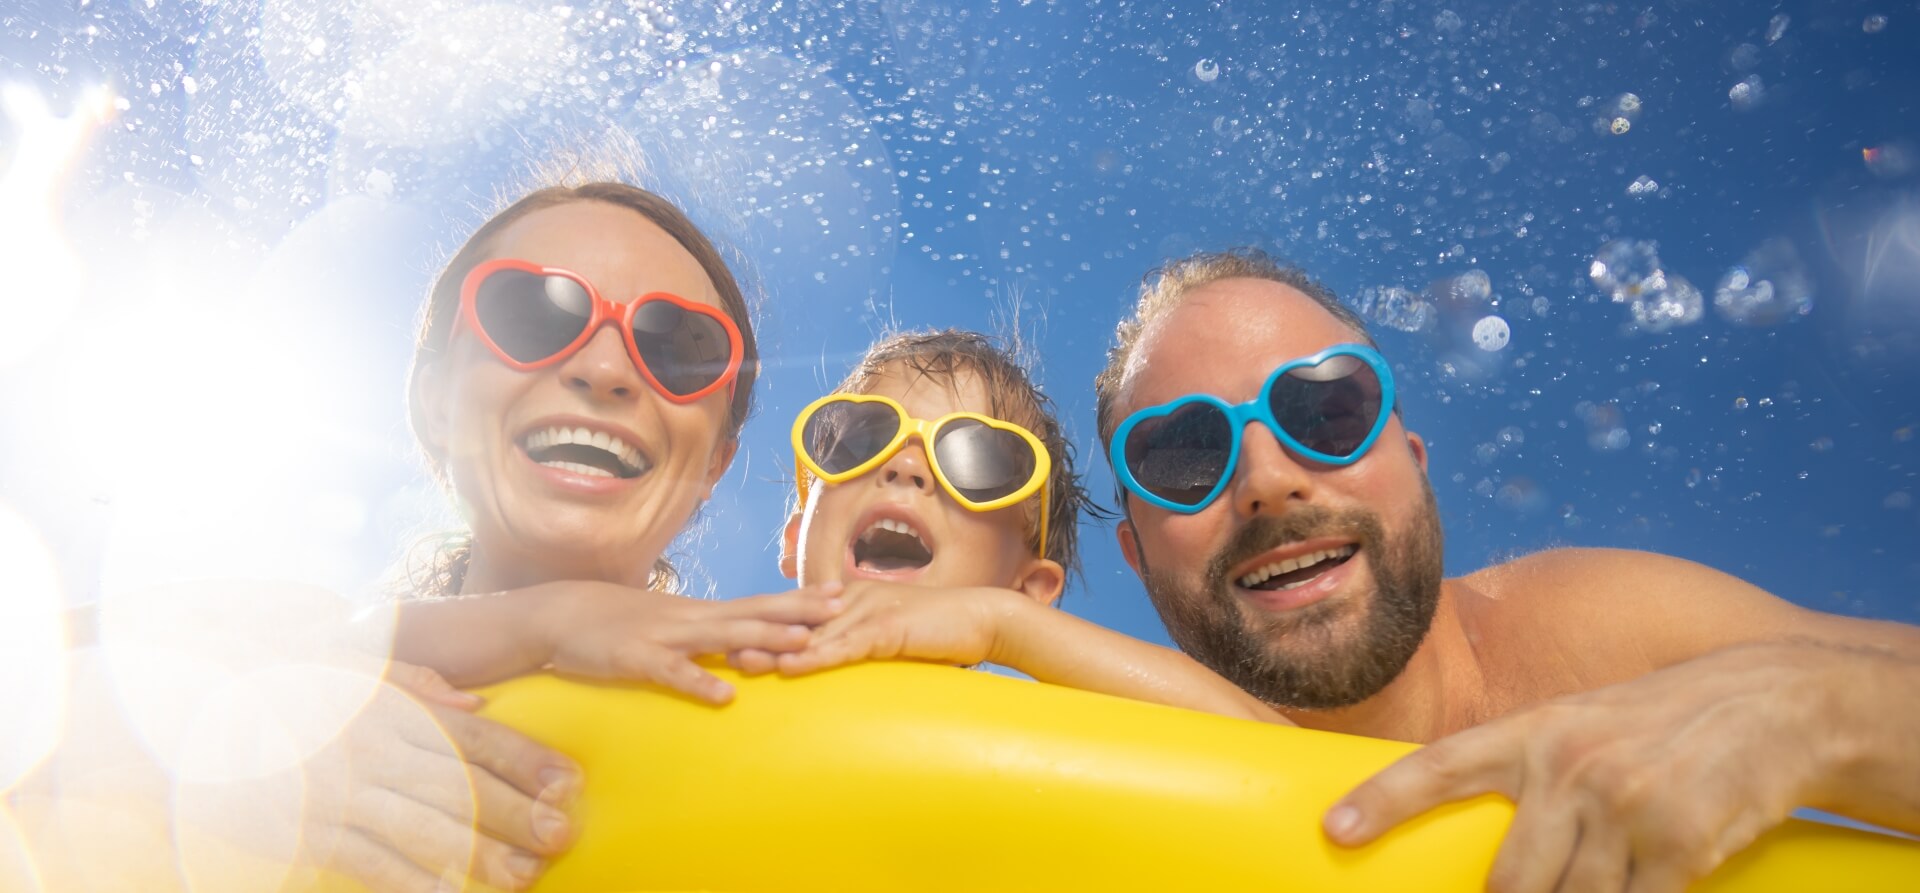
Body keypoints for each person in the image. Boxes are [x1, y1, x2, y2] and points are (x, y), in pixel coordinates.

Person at [13, 174, 843, 893]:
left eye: (681, 346)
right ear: (434, 400)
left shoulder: (810, 736)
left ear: (718, 462)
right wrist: (224, 759)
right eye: (530, 312)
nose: (602, 368)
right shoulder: (272, 648)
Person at [1093, 247, 1920, 892]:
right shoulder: (1117, 773)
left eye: (1325, 410)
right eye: (1184, 455)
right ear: (1136, 554)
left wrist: (1821, 709)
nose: (1269, 480)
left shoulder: (1604, 634)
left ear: (1415, 466)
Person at [745, 329, 1286, 721]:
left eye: (976, 460)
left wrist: (1003, 626)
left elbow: (1274, 747)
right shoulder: (706, 669)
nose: (904, 465)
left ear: (1026, 591)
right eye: (861, 438)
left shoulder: (1034, 732)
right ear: (795, 539)